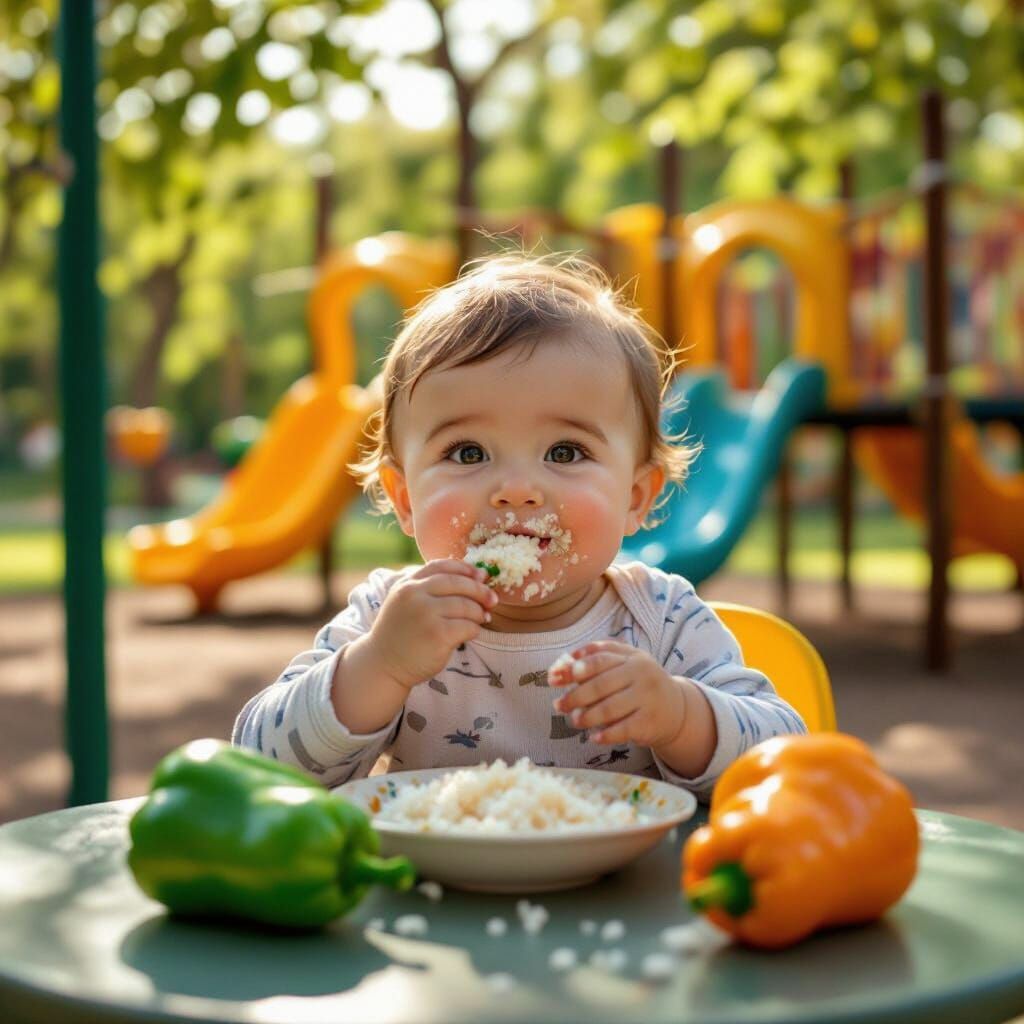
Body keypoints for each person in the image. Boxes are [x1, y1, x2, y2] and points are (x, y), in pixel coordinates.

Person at [233, 254, 806, 799]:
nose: (515, 489)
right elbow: (258, 766)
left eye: (563, 451)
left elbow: (788, 761)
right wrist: (377, 667)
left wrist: (680, 716)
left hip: (626, 893)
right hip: (434, 892)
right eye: (467, 453)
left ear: (635, 497)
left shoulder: (662, 623)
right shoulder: (389, 618)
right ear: (404, 498)